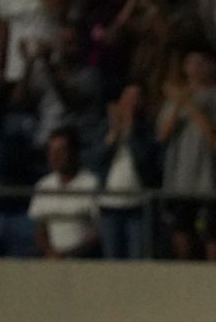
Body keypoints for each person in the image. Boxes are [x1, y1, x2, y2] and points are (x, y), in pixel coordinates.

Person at [157, 48, 216, 261]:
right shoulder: (174, 100)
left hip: (207, 178)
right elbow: (162, 135)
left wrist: (189, 103)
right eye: (191, 63)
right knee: (181, 230)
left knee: (212, 231)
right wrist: (179, 103)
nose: (195, 68)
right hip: (180, 180)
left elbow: (214, 135)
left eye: (200, 63)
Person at [99, 83, 154, 260]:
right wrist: (115, 132)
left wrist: (130, 129)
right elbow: (96, 160)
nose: (131, 103)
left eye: (135, 98)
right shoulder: (105, 126)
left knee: (136, 260)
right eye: (127, 97)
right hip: (109, 206)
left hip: (137, 206)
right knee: (112, 260)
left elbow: (145, 160)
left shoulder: (147, 129)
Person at [28, 128, 100, 258]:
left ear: (74, 152)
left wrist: (71, 255)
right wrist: (51, 253)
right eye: (51, 151)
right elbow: (40, 230)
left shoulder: (91, 183)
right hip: (51, 260)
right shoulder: (43, 186)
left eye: (61, 151)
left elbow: (98, 232)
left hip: (84, 260)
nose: (55, 156)